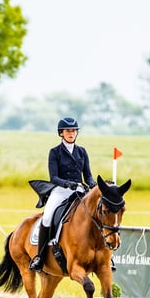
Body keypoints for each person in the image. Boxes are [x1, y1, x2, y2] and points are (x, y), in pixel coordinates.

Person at [29, 116, 96, 272]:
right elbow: (53, 177)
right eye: (68, 131)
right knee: (47, 217)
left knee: (95, 214)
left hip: (79, 191)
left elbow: (88, 175)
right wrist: (67, 183)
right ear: (61, 133)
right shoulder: (55, 152)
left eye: (73, 131)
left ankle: (106, 257)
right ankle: (39, 257)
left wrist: (92, 184)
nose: (71, 133)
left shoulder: (82, 151)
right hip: (60, 191)